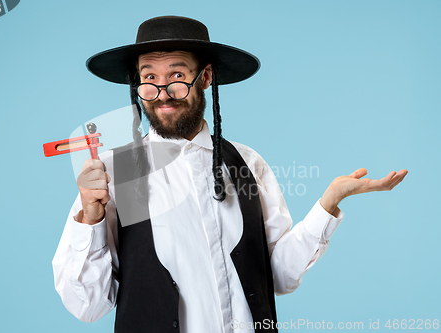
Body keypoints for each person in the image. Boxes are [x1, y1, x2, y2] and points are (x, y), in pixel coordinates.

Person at [52, 16, 407, 333]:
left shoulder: (246, 163)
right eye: (149, 78)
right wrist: (91, 218)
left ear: (205, 77)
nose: (163, 93)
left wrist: (328, 203)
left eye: (177, 76)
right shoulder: (119, 171)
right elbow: (89, 306)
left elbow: (278, 277)